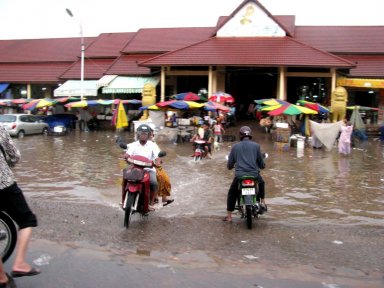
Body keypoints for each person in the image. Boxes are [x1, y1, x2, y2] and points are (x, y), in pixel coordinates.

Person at [0, 126, 40, 288]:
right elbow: (15, 156)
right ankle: (20, 264)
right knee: (26, 220)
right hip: (4, 184)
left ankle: (1, 276)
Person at [224, 126, 267, 222]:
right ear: (250, 135)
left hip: (240, 176)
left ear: (240, 135)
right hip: (254, 175)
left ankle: (229, 217)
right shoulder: (256, 146)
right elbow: (261, 163)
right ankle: (263, 202)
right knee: (261, 183)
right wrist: (262, 165)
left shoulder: (235, 147)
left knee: (232, 193)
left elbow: (230, 164)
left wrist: (230, 166)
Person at [124, 124, 163, 208]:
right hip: (135, 168)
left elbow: (157, 157)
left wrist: (158, 162)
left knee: (154, 183)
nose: (143, 135)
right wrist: (126, 157)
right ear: (138, 134)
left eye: (145, 133)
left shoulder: (153, 145)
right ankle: (124, 199)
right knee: (125, 179)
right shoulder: (134, 145)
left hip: (148, 170)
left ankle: (151, 203)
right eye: (141, 133)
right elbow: (127, 154)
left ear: (149, 135)